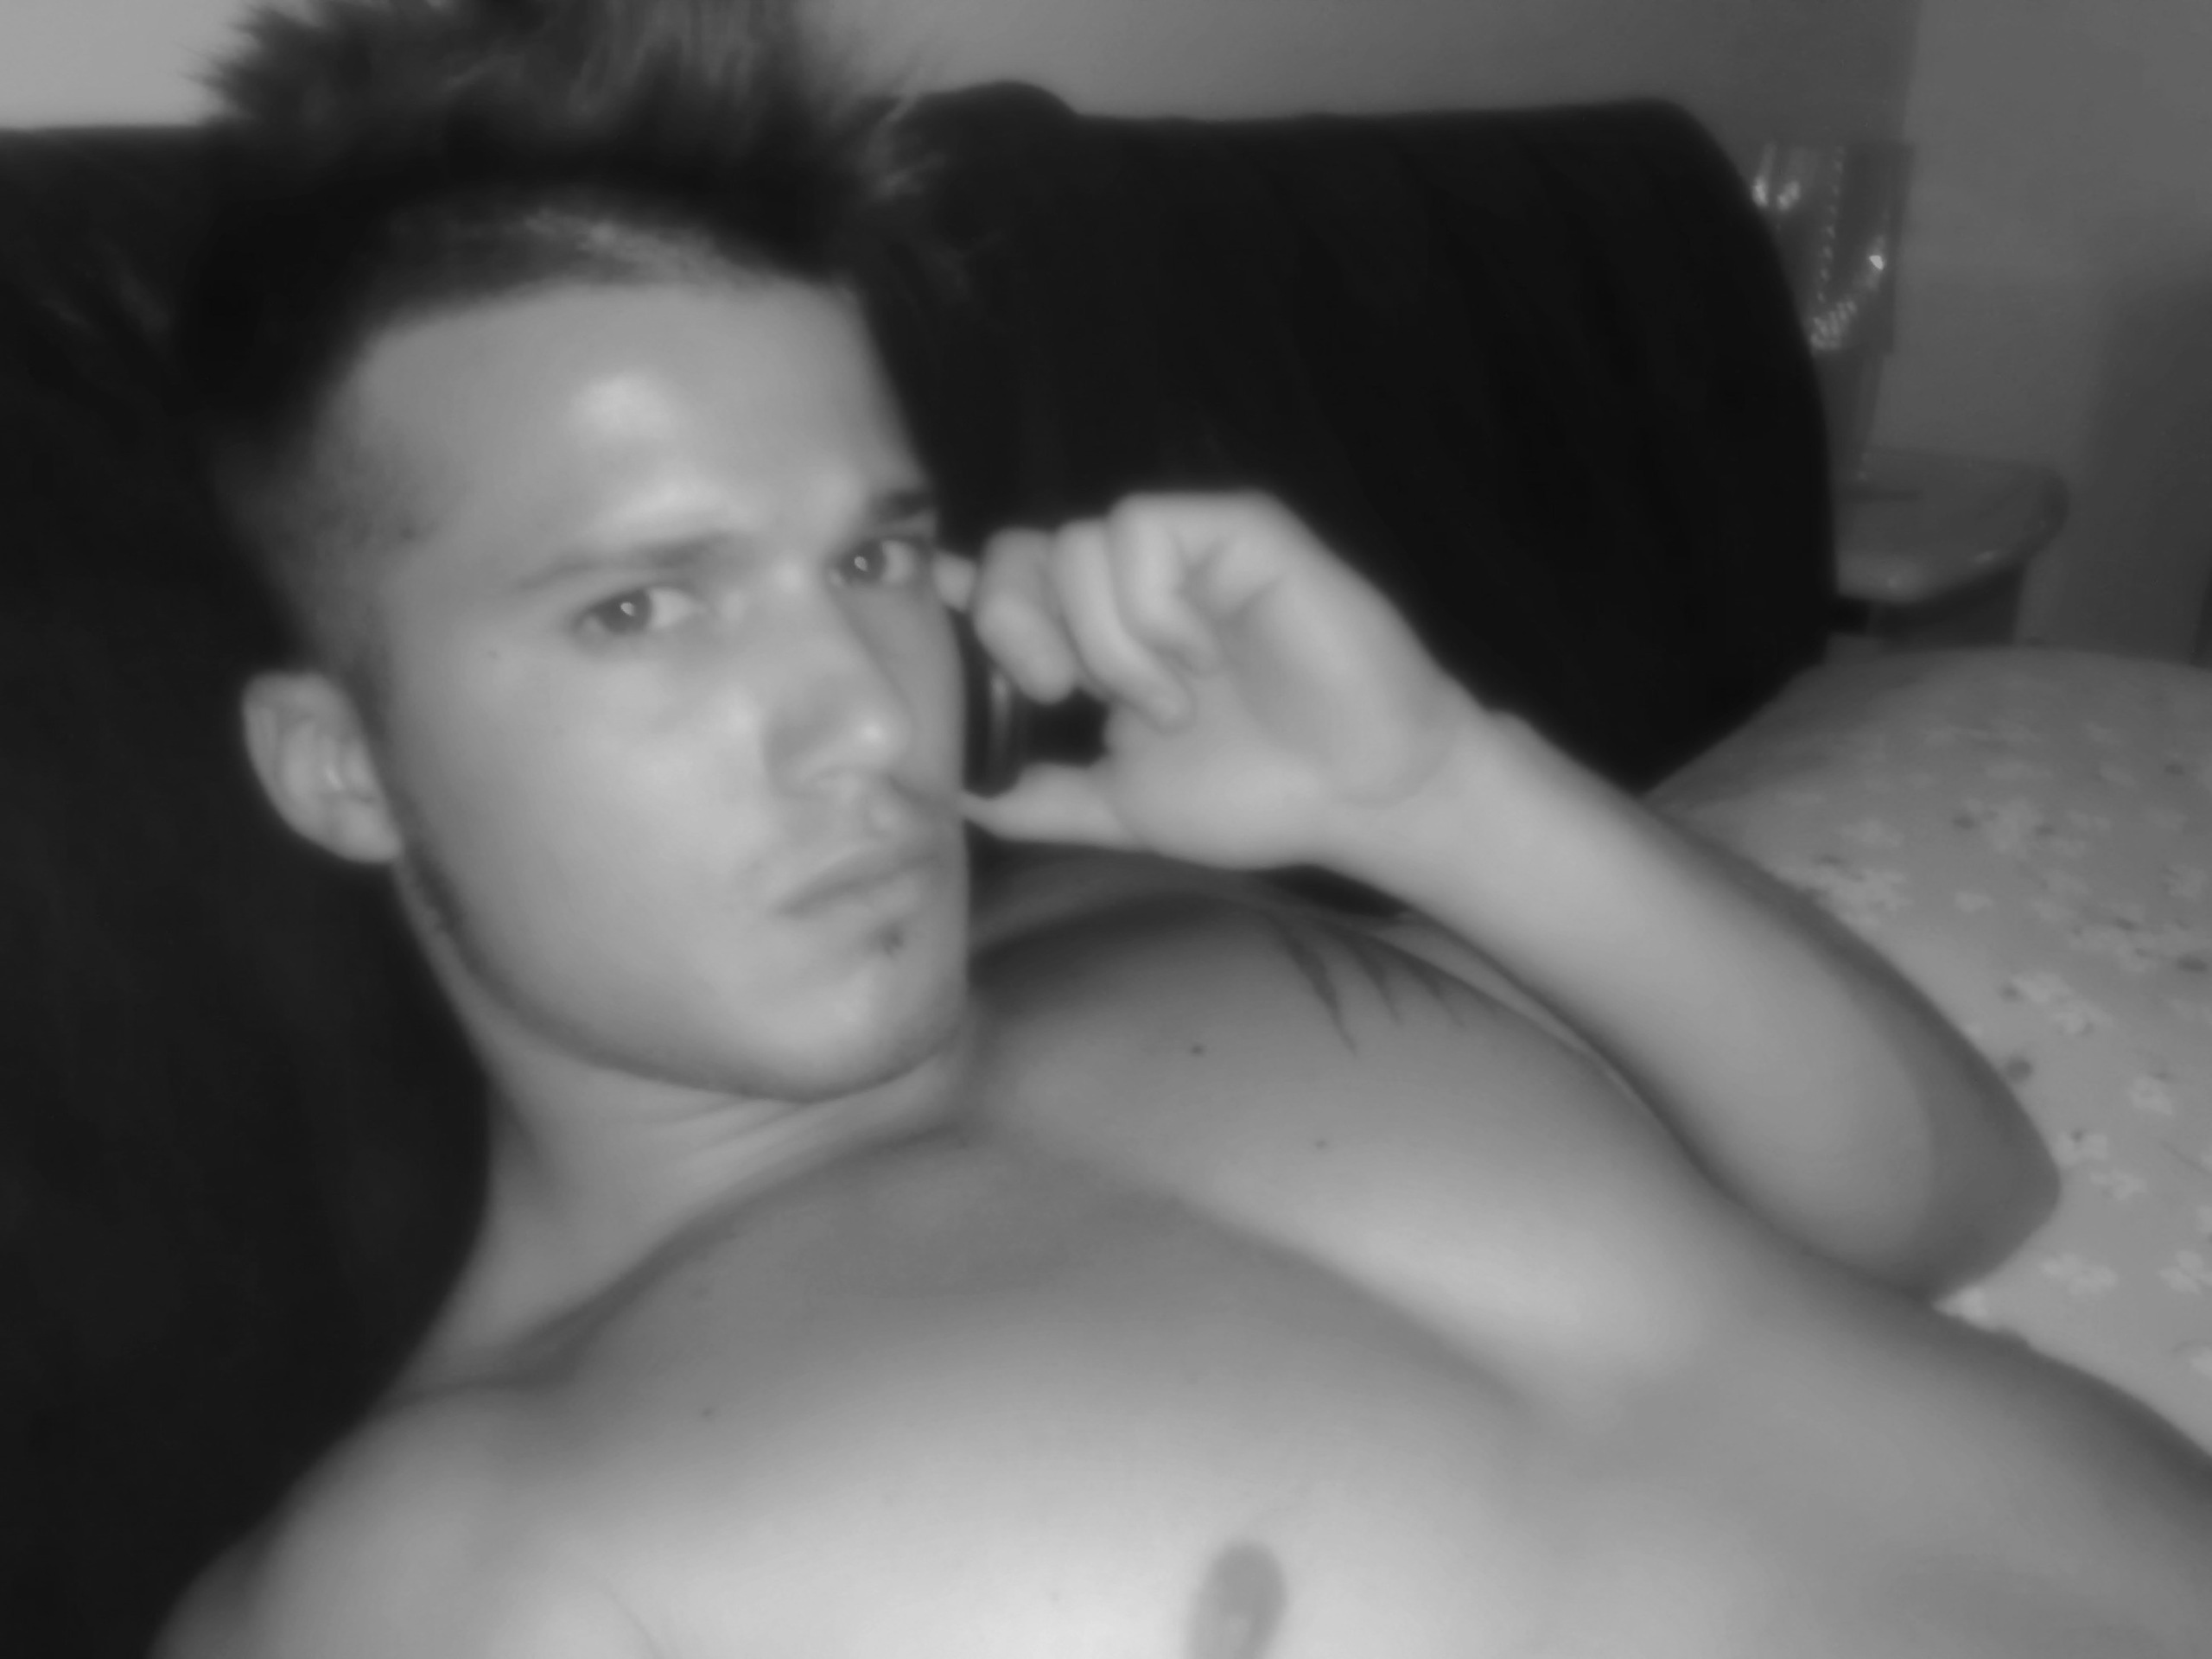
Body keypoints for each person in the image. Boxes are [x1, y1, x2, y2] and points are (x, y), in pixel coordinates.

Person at [159, 2, 2212, 1655]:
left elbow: (1948, 1204)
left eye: (869, 562)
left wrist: (1433, 785)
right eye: (639, 608)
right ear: (340, 767)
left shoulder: (1171, 925)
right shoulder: (451, 1562)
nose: (862, 718)